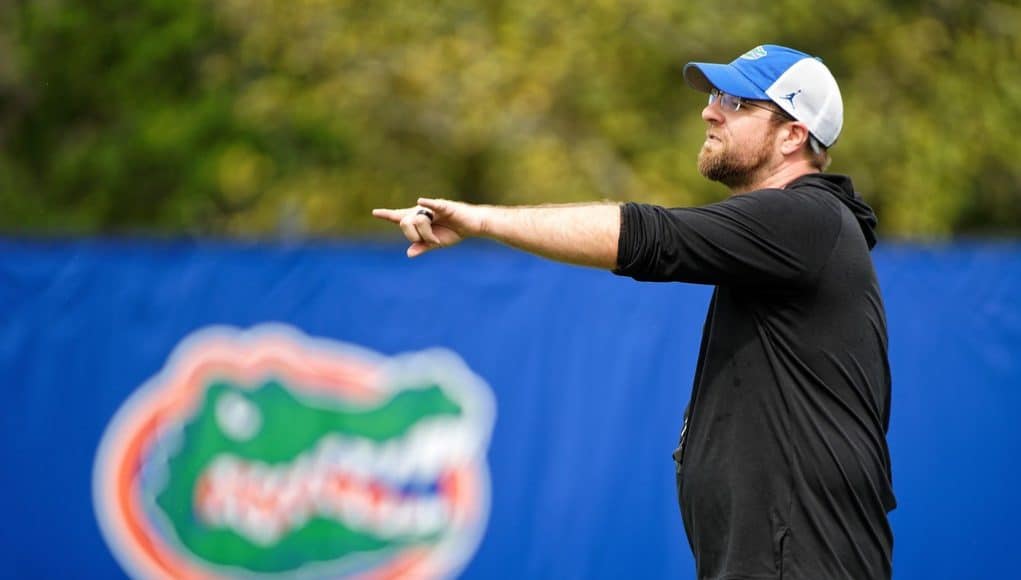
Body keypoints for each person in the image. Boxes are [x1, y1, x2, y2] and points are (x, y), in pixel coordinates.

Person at [373, 44, 896, 580]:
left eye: (737, 102)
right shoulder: (793, 234)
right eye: (716, 95)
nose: (710, 111)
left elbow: (649, 237)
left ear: (792, 135)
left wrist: (483, 220)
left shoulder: (804, 218)